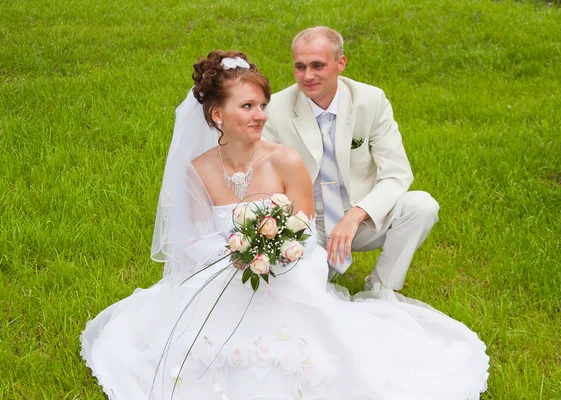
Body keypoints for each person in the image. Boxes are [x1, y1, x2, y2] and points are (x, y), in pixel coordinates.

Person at [80, 50, 488, 399]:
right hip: (222, 278)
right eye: (247, 107)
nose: (260, 116)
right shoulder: (198, 171)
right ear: (217, 114)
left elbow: (305, 234)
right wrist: (239, 257)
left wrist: (273, 257)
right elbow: (194, 240)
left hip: (286, 273)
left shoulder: (285, 160)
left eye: (262, 105)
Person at [263, 27, 439, 299]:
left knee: (421, 206)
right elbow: (266, 177)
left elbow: (397, 173)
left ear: (340, 63)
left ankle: (381, 284)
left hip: (363, 218)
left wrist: (357, 214)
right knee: (303, 298)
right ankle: (323, 269)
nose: (308, 76)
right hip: (306, 222)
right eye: (300, 67)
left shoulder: (371, 100)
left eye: (317, 66)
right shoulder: (275, 108)